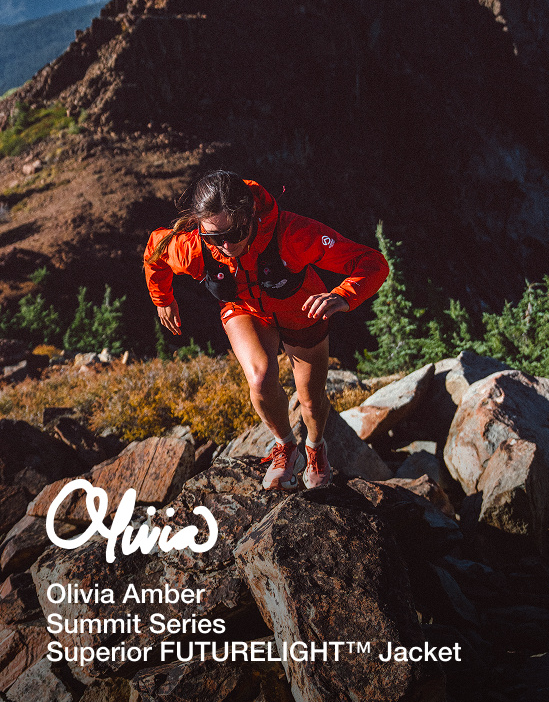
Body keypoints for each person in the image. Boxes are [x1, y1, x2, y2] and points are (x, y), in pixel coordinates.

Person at [144, 171, 389, 491]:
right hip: (245, 311)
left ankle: (315, 449)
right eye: (214, 237)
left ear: (252, 215)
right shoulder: (193, 248)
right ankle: (287, 447)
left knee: (311, 402)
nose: (227, 245)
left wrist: (343, 295)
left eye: (236, 232)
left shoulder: (293, 234)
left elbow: (371, 262)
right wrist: (163, 299)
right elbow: (156, 251)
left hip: (302, 311)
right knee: (259, 380)